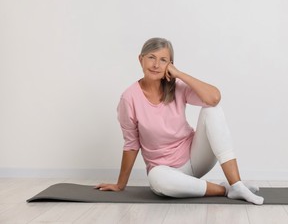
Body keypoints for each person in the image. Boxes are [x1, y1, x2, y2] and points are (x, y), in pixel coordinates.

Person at [96, 37, 264, 205]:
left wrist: (180, 74)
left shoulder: (177, 87)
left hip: (195, 159)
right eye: (151, 57)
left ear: (170, 64)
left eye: (163, 60)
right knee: (156, 178)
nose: (156, 65)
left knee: (212, 110)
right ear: (141, 59)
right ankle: (227, 189)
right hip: (165, 172)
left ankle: (236, 183)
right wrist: (120, 184)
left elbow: (214, 98)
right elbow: (131, 144)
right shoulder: (129, 98)